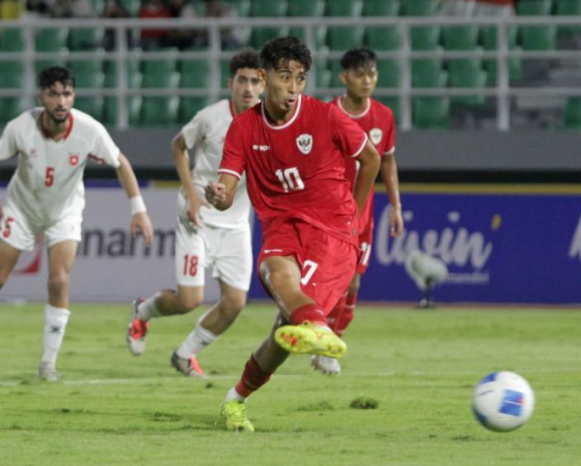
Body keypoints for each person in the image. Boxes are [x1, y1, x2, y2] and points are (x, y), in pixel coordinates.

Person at [204, 36, 381, 432]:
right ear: (265, 78)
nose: (293, 87)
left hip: (332, 232)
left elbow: (370, 158)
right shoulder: (244, 127)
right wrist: (217, 196)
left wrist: (352, 212)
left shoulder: (325, 116)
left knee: (283, 334)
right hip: (282, 225)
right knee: (272, 272)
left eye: (300, 78)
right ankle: (318, 327)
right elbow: (227, 188)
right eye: (285, 77)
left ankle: (236, 399)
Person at [0, 66, 154, 382]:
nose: (61, 101)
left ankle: (48, 364)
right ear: (41, 97)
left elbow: (121, 163)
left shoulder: (89, 130)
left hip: (65, 211)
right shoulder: (20, 128)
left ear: (73, 96)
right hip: (22, 208)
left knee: (59, 281)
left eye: (66, 93)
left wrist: (139, 209)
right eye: (53, 93)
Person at [126, 50, 264, 378]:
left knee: (234, 304)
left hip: (236, 223)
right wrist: (191, 193)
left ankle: (185, 355)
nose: (248, 87)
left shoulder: (269, 122)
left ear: (264, 85)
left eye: (255, 81)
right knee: (189, 300)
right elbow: (178, 145)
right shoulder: (211, 117)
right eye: (242, 80)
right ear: (231, 83)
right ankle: (142, 312)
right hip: (197, 217)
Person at [311, 47, 404, 376]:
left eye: (372, 74)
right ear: (344, 77)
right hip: (328, 212)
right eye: (360, 74)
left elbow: (388, 161)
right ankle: (310, 332)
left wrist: (395, 205)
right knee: (326, 281)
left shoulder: (383, 116)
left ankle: (330, 344)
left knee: (352, 284)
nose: (367, 80)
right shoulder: (325, 114)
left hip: (362, 214)